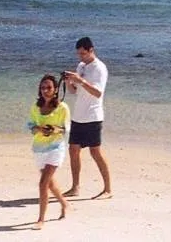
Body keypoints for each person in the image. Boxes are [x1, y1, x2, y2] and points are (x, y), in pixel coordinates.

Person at [63, 36, 112, 199]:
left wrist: (81, 80)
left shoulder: (100, 68)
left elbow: (98, 93)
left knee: (95, 152)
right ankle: (75, 187)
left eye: (83, 54)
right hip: (78, 115)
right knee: (73, 150)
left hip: (93, 115)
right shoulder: (81, 66)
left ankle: (107, 189)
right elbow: (73, 91)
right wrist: (69, 81)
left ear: (91, 50)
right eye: (79, 54)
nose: (81, 57)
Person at [27, 74, 70, 229]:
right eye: (43, 87)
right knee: (50, 183)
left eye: (49, 87)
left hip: (56, 148)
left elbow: (66, 129)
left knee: (42, 183)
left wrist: (54, 130)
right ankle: (64, 203)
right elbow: (30, 126)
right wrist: (38, 128)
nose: (46, 90)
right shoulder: (35, 107)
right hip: (39, 148)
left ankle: (41, 219)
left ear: (55, 89)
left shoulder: (62, 108)